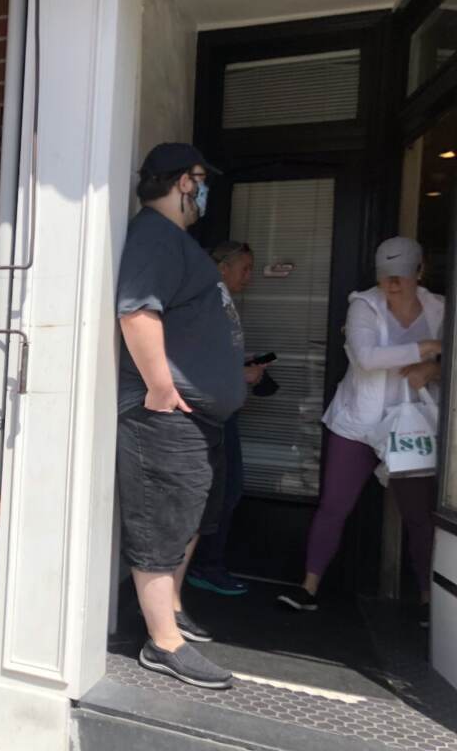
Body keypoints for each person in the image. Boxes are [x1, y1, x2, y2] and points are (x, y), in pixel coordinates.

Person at [117, 143, 245, 690]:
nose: (203, 192)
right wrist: (162, 390)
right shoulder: (154, 235)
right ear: (185, 182)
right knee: (163, 522)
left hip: (196, 417)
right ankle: (162, 642)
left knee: (189, 517)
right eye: (200, 181)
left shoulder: (175, 241)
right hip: (167, 417)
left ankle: (169, 608)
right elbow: (138, 310)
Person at [278, 236, 441, 626]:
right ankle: (308, 587)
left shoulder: (439, 308)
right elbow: (367, 358)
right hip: (357, 423)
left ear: (420, 272)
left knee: (419, 515)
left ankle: (428, 599)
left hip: (410, 423)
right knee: (334, 506)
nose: (393, 284)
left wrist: (434, 367)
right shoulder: (363, 305)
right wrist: (428, 348)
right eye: (386, 277)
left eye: (401, 276)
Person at [187, 241, 265, 596]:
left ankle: (205, 564)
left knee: (226, 488)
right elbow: (199, 357)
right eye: (245, 268)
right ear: (222, 267)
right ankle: (205, 565)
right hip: (212, 412)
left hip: (222, 409)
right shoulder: (209, 301)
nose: (249, 276)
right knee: (223, 489)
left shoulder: (220, 301)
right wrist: (241, 374)